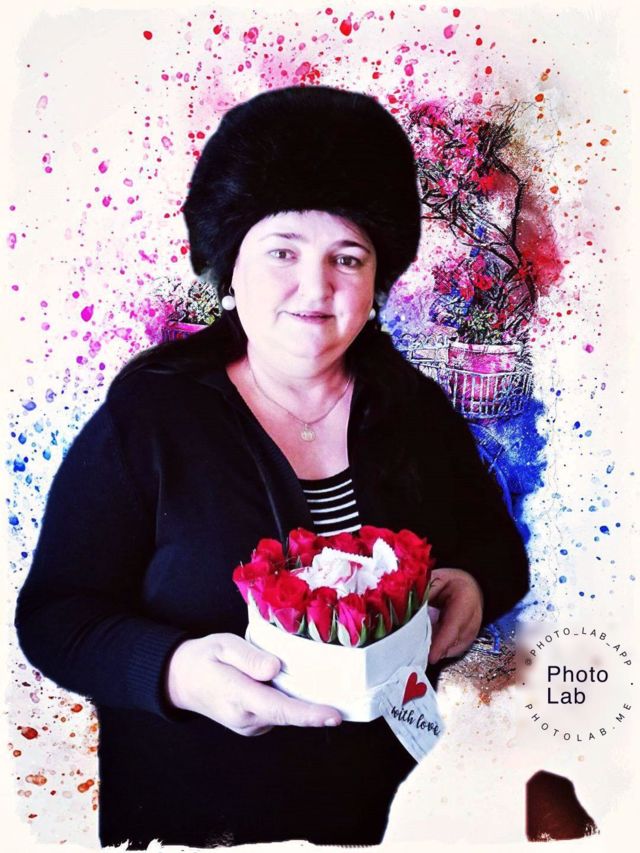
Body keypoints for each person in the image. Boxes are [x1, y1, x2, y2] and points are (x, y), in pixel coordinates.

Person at [15, 86, 529, 849]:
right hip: (192, 821)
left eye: (346, 257)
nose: (316, 288)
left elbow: (498, 549)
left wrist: (473, 586)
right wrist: (176, 671)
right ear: (231, 266)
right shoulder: (153, 413)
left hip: (391, 820)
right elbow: (55, 616)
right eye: (283, 250)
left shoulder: (412, 405)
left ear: (377, 279)